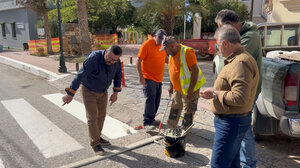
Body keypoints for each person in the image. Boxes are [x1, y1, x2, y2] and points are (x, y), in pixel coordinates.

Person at [200, 25, 259, 168]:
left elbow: (240, 97)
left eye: (218, 46)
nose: (218, 50)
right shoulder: (238, 59)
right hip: (232, 121)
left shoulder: (240, 62)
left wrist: (214, 93)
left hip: (231, 122)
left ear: (225, 44)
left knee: (218, 164)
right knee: (232, 163)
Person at [214, 9, 263, 168]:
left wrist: (216, 93)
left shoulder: (245, 44)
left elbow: (228, 61)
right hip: (235, 99)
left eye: (221, 28)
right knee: (238, 139)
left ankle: (249, 164)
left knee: (243, 131)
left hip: (238, 105)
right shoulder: (239, 41)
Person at [62, 45, 122, 156]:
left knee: (102, 115)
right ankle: (95, 144)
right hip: (88, 90)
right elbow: (80, 75)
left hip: (103, 92)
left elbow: (118, 76)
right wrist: (70, 94)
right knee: (93, 116)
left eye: (115, 60)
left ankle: (97, 136)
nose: (112, 62)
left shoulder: (116, 62)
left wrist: (115, 93)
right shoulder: (94, 58)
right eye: (110, 58)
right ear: (105, 52)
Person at [160, 36, 206, 131]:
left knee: (188, 112)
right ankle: (170, 130)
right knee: (174, 109)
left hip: (190, 90)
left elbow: (195, 71)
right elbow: (173, 71)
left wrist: (190, 90)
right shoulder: (171, 55)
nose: (166, 52)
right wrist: (171, 85)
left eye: (166, 49)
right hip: (177, 89)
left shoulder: (187, 52)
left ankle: (184, 133)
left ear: (172, 46)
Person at [136, 29, 168, 130]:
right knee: (150, 100)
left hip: (159, 79)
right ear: (155, 36)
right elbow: (138, 60)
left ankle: (152, 119)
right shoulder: (147, 44)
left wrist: (174, 62)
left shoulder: (162, 47)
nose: (160, 41)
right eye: (159, 38)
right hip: (148, 77)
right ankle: (147, 122)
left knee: (156, 100)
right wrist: (140, 76)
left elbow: (165, 59)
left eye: (162, 40)